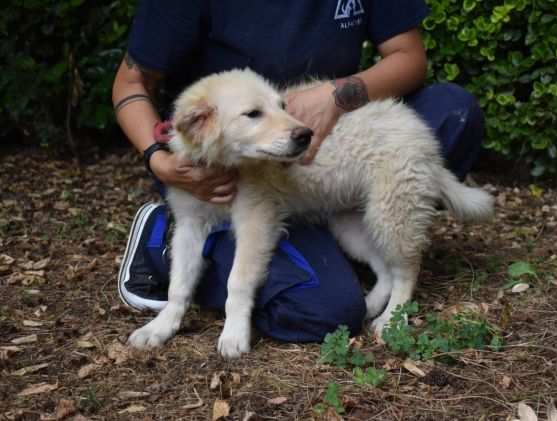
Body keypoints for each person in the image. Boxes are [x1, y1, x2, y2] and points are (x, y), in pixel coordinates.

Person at [112, 0, 485, 343]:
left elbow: (409, 57)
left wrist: (337, 97)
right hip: (223, 166)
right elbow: (131, 83)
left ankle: (347, 227)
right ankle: (165, 242)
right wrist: (158, 161)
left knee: (454, 110)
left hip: (333, 140)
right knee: (328, 312)